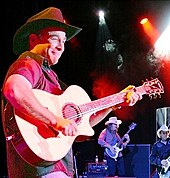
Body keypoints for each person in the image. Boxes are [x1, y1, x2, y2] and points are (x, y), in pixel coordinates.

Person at [1, 7, 142, 178]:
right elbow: (14, 89)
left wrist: (115, 103)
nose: (61, 47)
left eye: (64, 41)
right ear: (33, 39)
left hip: (56, 167)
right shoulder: (29, 64)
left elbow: (84, 124)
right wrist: (55, 120)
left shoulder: (52, 78)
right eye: (54, 39)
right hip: (41, 170)